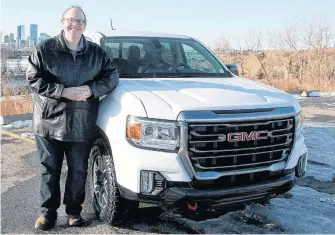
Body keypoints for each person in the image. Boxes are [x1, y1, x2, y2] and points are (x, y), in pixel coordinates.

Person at [25, 5, 119, 230]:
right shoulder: (45, 49)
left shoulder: (96, 53)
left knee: (78, 170)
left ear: (85, 26)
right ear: (62, 22)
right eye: (70, 20)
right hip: (49, 121)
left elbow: (112, 75)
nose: (74, 24)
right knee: (50, 169)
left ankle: (74, 212)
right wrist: (61, 91)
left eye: (79, 21)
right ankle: (47, 214)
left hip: (81, 121)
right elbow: (32, 78)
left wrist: (92, 90)